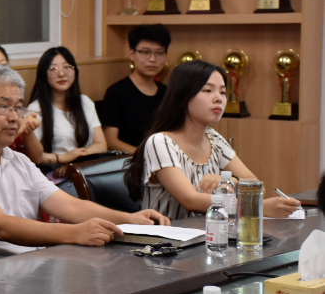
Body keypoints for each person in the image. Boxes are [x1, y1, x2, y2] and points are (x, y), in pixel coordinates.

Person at [0, 64, 169, 259]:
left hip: (32, 267)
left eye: (18, 108)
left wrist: (130, 219)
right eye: (3, 107)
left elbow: (69, 206)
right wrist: (75, 233)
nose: (15, 118)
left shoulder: (18, 161)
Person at [124, 61, 300, 220]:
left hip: (209, 234)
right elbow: (190, 200)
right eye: (207, 90)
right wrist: (254, 207)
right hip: (167, 240)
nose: (219, 98)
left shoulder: (214, 138)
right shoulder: (160, 142)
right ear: (182, 96)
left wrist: (230, 182)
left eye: (222, 92)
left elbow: (256, 185)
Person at [24, 47, 107, 176]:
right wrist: (62, 158)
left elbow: (101, 145)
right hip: (53, 173)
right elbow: (35, 157)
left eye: (67, 67)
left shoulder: (85, 102)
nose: (61, 74)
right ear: (43, 75)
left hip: (86, 170)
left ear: (75, 71)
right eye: (53, 69)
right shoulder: (36, 109)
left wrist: (74, 162)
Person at [101, 24, 170, 153]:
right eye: (145, 52)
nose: (152, 59)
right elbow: (110, 141)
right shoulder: (116, 92)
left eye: (159, 53)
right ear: (132, 54)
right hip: (130, 159)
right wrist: (144, 155)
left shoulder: (168, 93)